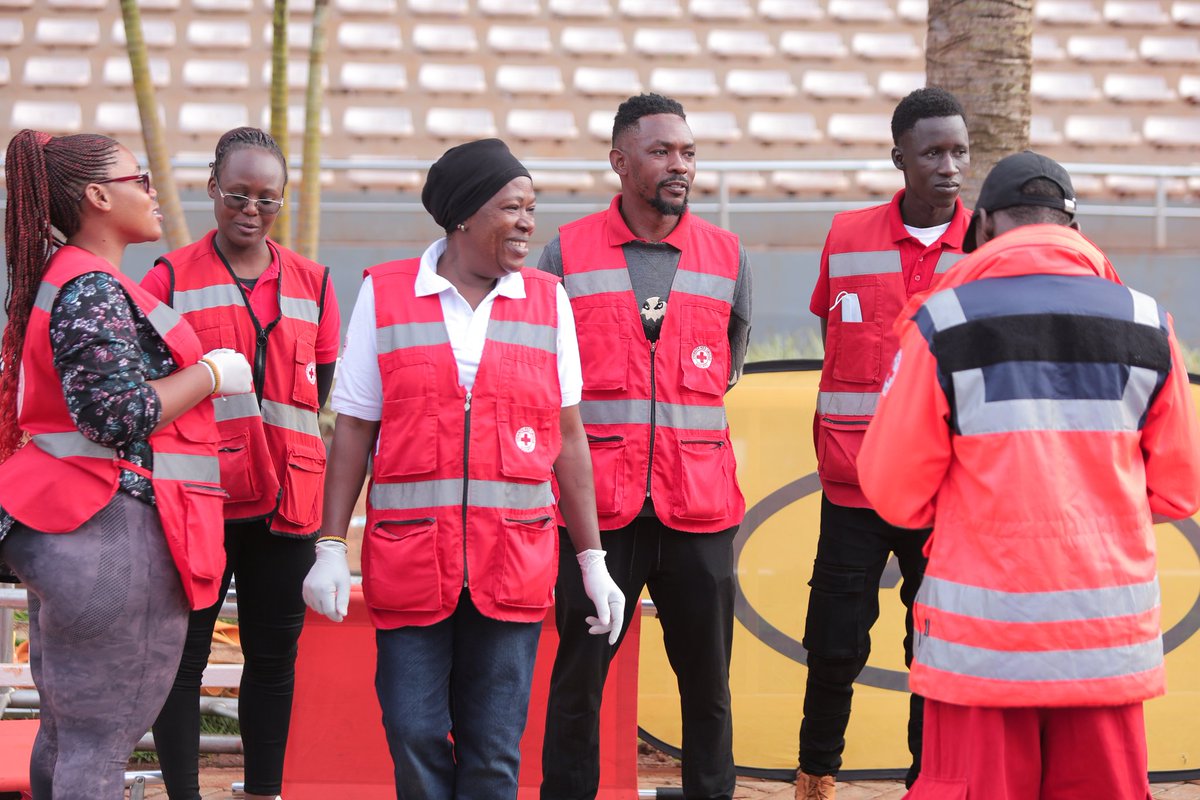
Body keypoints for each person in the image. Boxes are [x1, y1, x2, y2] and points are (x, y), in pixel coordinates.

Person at [858, 150, 1200, 798]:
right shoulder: (1148, 323)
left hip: (981, 650)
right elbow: (1179, 488)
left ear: (982, 227)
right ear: (1073, 230)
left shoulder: (943, 324)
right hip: (1105, 644)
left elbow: (894, 491)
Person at [300, 138, 625, 800]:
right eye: (513, 207)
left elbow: (567, 437)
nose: (529, 223)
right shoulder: (385, 295)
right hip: (413, 560)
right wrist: (330, 545)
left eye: (533, 208)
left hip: (514, 560)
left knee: (494, 750)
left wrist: (592, 560)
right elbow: (356, 427)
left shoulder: (548, 300)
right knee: (414, 731)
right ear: (463, 218)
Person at [0, 130, 252, 799]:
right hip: (111, 529)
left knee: (70, 736)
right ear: (97, 196)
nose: (151, 188)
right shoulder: (93, 286)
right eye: (138, 178)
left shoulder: (76, 281)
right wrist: (209, 374)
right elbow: (114, 415)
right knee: (98, 745)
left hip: (78, 524)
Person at [538, 93, 753, 800]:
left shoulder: (728, 256)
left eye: (688, 152)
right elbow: (544, 376)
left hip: (699, 510)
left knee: (709, 690)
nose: (679, 165)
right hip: (599, 515)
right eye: (662, 151)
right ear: (620, 161)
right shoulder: (565, 253)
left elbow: (730, 364)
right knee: (578, 687)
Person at [141, 127, 340, 800]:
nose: (251, 210)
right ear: (211, 190)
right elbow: (149, 393)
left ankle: (263, 793)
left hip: (288, 507)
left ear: (283, 200)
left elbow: (325, 382)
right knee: (183, 660)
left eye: (267, 198)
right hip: (199, 500)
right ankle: (186, 796)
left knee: (274, 660)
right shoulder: (167, 277)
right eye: (237, 194)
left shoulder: (313, 281)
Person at [798, 86, 971, 799]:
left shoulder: (987, 244)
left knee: (932, 647)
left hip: (944, 491)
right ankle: (816, 775)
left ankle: (926, 782)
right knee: (834, 642)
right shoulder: (845, 235)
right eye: (932, 152)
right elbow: (832, 336)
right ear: (898, 156)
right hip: (853, 482)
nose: (949, 165)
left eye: (960, 150)